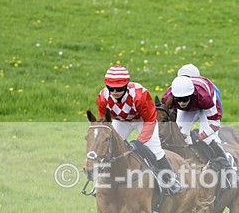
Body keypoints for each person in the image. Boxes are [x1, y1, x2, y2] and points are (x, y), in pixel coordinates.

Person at [96, 65, 181, 195]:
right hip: (121, 121)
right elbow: (104, 122)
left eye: (118, 89)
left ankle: (171, 180)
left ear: (126, 86)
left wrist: (139, 141)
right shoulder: (102, 97)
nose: (114, 92)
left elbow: (150, 121)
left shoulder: (140, 95)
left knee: (155, 149)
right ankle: (99, 183)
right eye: (110, 88)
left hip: (143, 120)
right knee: (107, 147)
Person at [162, 64, 232, 177]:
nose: (181, 103)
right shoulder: (167, 98)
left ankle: (227, 164)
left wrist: (200, 138)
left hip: (205, 107)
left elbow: (215, 123)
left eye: (184, 99)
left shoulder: (205, 97)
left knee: (207, 138)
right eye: (178, 100)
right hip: (193, 103)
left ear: (192, 93)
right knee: (182, 134)